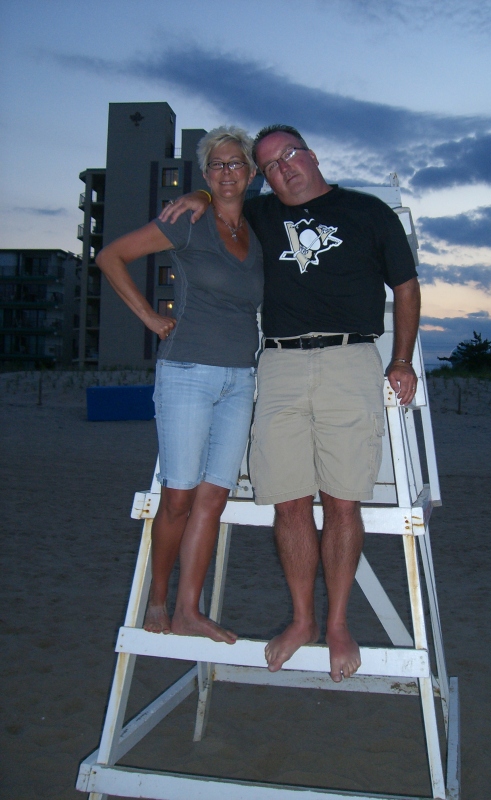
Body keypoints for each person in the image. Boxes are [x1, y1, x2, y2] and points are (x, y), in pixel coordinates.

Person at [160, 124, 420, 679]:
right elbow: (220, 200)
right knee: (288, 501)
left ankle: (338, 624)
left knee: (345, 501)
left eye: (290, 155)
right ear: (262, 176)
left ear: (312, 155)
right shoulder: (258, 216)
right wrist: (200, 194)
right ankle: (302, 619)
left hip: (351, 360)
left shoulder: (368, 212)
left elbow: (405, 286)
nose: (284, 168)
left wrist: (401, 359)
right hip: (276, 364)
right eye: (270, 165)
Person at [96, 126, 263, 642]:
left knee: (213, 499)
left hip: (241, 379)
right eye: (216, 166)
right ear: (204, 172)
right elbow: (111, 257)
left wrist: (210, 193)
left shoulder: (257, 230)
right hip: (187, 373)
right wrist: (149, 317)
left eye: (236, 163)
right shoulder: (190, 222)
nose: (227, 172)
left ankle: (190, 610)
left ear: (251, 172)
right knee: (178, 498)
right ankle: (159, 598)